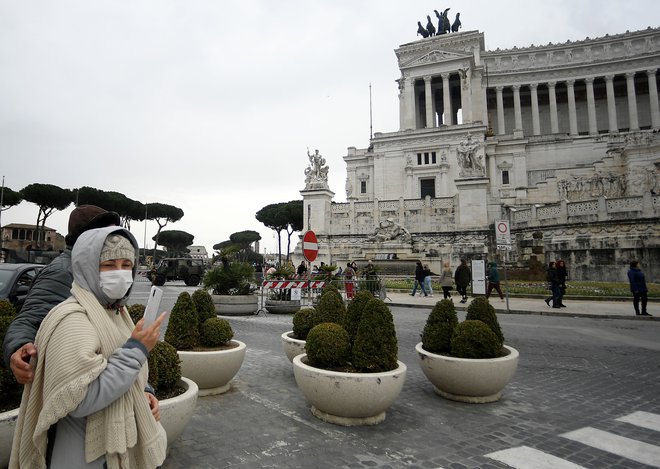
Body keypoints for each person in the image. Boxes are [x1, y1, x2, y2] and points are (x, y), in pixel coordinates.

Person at [10, 226, 168, 468]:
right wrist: (137, 350)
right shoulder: (72, 319)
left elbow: (125, 372)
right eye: (109, 265)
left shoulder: (116, 311)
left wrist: (145, 392)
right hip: (86, 457)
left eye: (127, 265)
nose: (120, 273)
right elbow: (81, 399)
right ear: (88, 267)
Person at [3, 204, 121, 384]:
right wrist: (19, 348)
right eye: (108, 235)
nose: (115, 240)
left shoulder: (96, 270)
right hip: (72, 384)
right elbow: (30, 318)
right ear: (87, 238)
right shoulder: (62, 272)